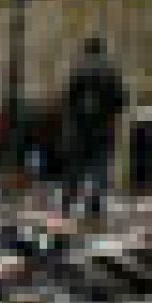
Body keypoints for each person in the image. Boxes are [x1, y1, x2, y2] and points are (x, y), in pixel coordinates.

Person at [61, 37, 127, 219]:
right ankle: (94, 203)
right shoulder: (111, 72)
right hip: (104, 127)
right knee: (100, 165)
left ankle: (68, 200)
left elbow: (67, 99)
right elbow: (121, 100)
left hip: (79, 128)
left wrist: (75, 116)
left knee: (76, 165)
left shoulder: (77, 70)